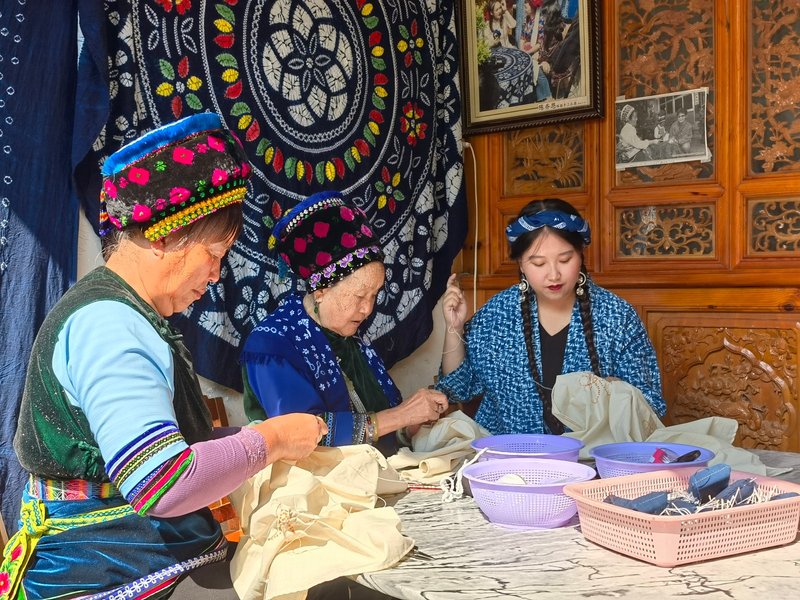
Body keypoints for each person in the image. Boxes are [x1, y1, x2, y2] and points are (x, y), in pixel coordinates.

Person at [0, 113, 326, 599]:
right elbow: (160, 481)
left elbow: (160, 447)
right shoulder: (110, 325)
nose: (216, 276)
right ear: (162, 236)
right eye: (214, 254)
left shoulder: (122, 313)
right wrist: (270, 439)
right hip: (96, 578)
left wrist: (241, 439)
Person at [240, 191, 448, 457]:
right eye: (359, 296)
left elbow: (377, 421)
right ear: (320, 290)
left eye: (374, 295)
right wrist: (400, 415)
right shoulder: (272, 345)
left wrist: (410, 425)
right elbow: (304, 433)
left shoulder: (351, 339)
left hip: (373, 480)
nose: (368, 308)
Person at [437, 198, 665, 435]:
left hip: (593, 464)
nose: (554, 274)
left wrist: (609, 391)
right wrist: (453, 327)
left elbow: (650, 406)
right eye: (538, 263)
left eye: (565, 260)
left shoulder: (616, 317)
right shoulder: (497, 315)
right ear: (521, 265)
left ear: (581, 254)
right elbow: (457, 389)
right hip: (509, 460)